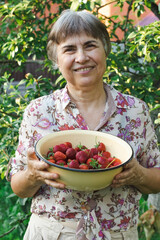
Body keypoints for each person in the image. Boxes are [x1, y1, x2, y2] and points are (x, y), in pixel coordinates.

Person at [9, 9, 160, 240]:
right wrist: (32, 175)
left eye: (90, 45)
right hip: (51, 234)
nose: (81, 57)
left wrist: (138, 175)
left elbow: (156, 179)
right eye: (69, 49)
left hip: (117, 234)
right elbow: (18, 186)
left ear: (105, 50)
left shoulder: (135, 111)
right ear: (56, 59)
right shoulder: (38, 111)